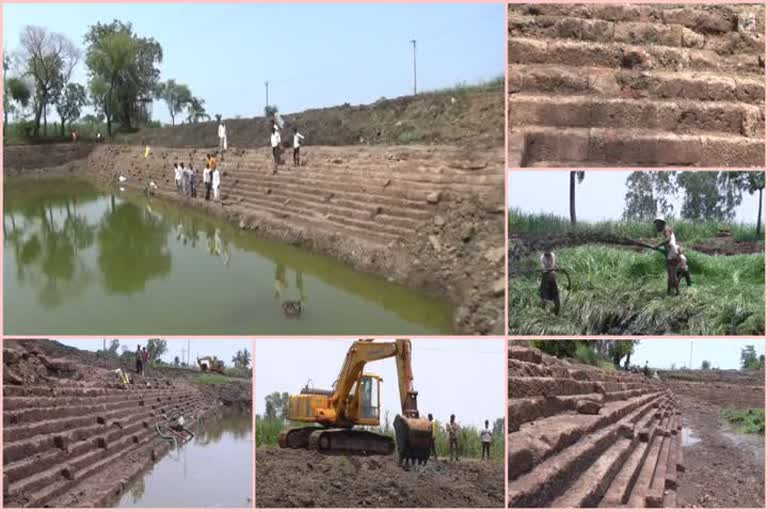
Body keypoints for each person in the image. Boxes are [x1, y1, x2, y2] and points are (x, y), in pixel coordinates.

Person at [654, 218, 682, 295]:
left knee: (672, 275)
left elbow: (668, 240)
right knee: (670, 275)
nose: (656, 227)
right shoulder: (666, 229)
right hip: (670, 252)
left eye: (657, 225)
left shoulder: (666, 229)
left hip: (672, 253)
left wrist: (658, 245)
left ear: (661, 224)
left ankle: (677, 293)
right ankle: (669, 292)